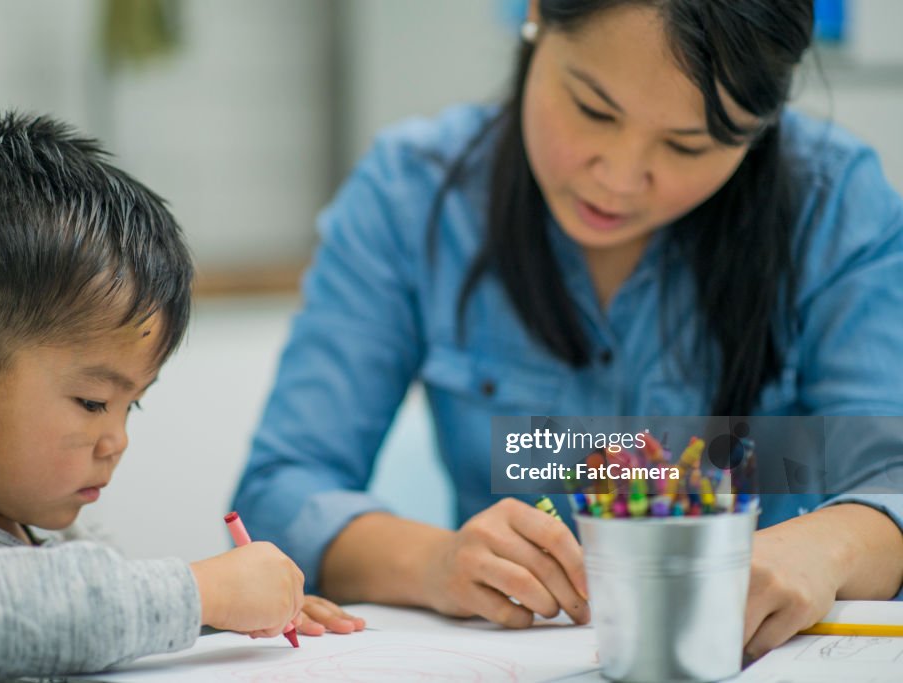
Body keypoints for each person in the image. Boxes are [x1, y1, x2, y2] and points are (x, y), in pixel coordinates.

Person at [233, 0, 903, 661]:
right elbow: (282, 489)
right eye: (592, 109)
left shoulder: (834, 205)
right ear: (536, 16)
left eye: (687, 144)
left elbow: (890, 473)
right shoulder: (411, 195)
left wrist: (827, 545)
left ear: (761, 122)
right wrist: (434, 560)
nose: (618, 177)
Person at [0, 111, 361, 683]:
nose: (118, 441)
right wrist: (202, 592)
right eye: (91, 402)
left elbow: (81, 625)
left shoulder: (56, 530)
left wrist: (228, 611)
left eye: (130, 405)